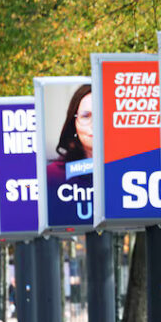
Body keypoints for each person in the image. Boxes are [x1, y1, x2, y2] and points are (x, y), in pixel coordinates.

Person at [46, 84, 93, 225]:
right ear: (74, 123)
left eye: (102, 114)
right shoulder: (52, 175)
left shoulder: (129, 170)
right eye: (86, 116)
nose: (94, 124)